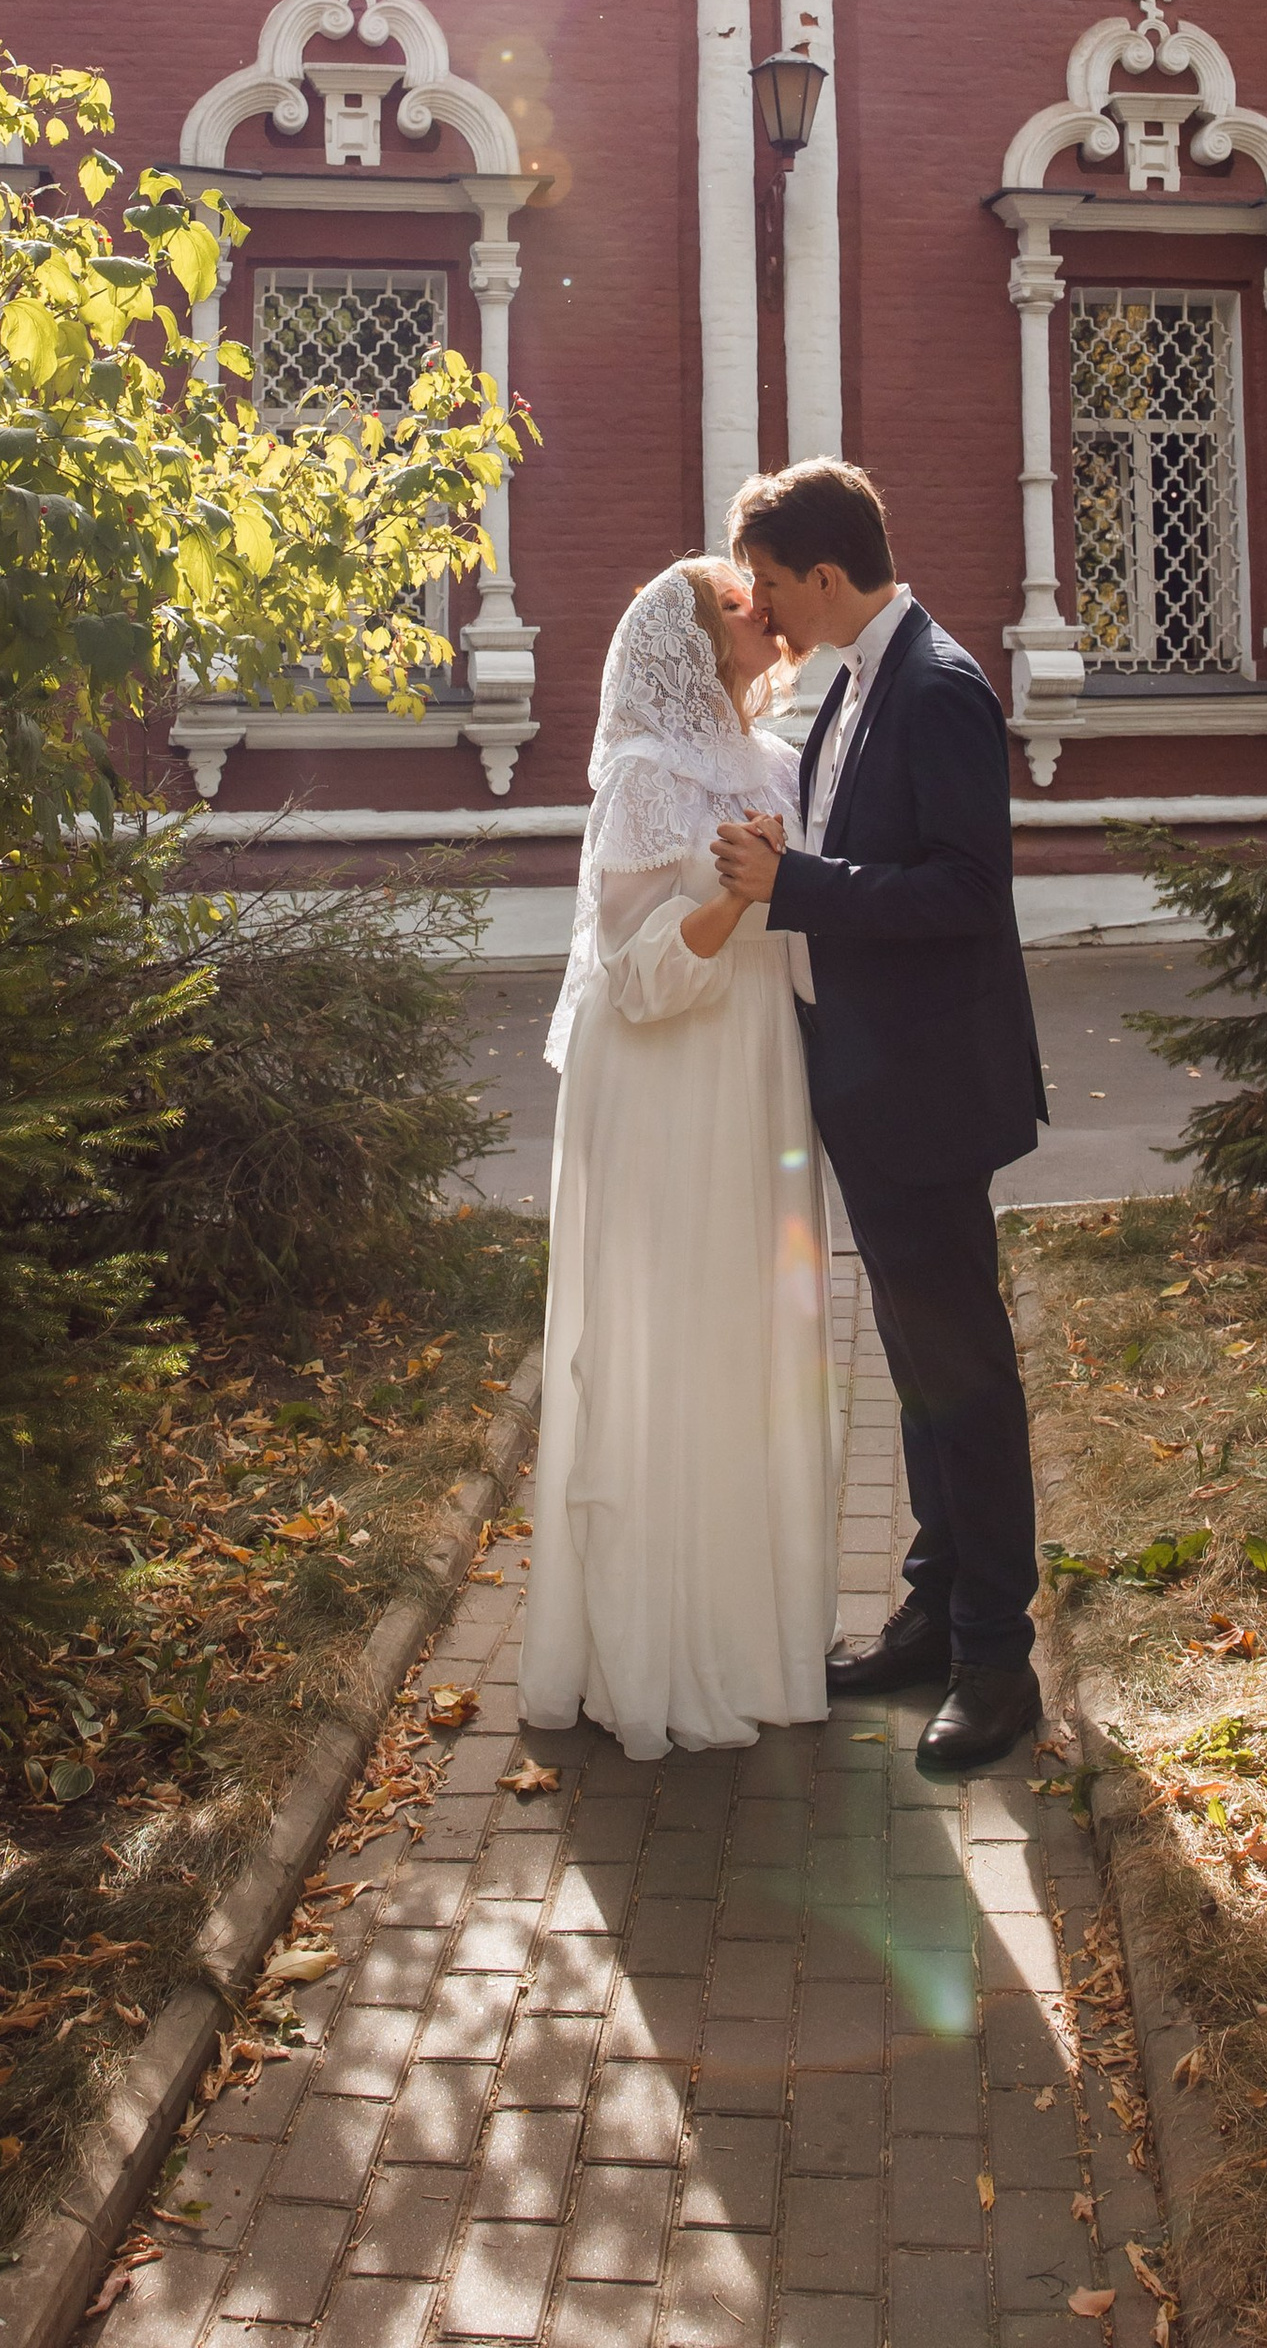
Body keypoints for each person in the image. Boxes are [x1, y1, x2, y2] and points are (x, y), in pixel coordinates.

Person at [711, 459, 1049, 1778]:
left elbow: (964, 890)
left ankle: (996, 1658)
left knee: (967, 1377)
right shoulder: (860, 678)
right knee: (922, 1369)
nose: (769, 613)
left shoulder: (941, 688)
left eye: (776, 588)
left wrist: (801, 888)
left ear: (832, 576)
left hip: (931, 1090)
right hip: (876, 1085)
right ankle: (931, 1608)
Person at [519, 557, 839, 1761]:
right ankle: (649, 1647)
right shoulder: (646, 779)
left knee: (744, 1336)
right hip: (661, 1081)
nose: (757, 608)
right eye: (731, 603)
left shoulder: (769, 763)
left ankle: (749, 1636)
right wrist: (735, 892)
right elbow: (637, 977)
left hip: (750, 1071)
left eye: (754, 595)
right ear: (685, 645)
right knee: (669, 1338)